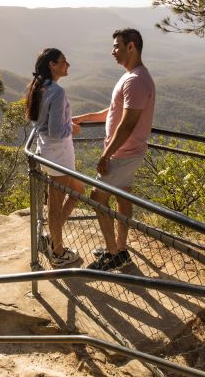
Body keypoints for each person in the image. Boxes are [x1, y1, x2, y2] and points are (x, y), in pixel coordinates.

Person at [72, 28, 155, 271]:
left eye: (117, 46)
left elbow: (128, 123)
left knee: (97, 199)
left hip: (122, 154)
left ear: (131, 47)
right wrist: (84, 117)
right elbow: (114, 111)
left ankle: (113, 252)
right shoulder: (132, 76)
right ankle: (120, 247)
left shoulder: (136, 80)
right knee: (122, 196)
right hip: (130, 153)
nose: (113, 51)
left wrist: (106, 154)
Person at [26, 48, 83, 268]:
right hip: (59, 153)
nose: (67, 65)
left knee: (78, 190)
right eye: (63, 61)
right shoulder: (57, 92)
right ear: (52, 65)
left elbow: (38, 124)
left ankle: (53, 236)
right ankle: (58, 253)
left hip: (48, 151)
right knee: (56, 205)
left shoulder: (39, 87)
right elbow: (58, 130)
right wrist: (72, 128)